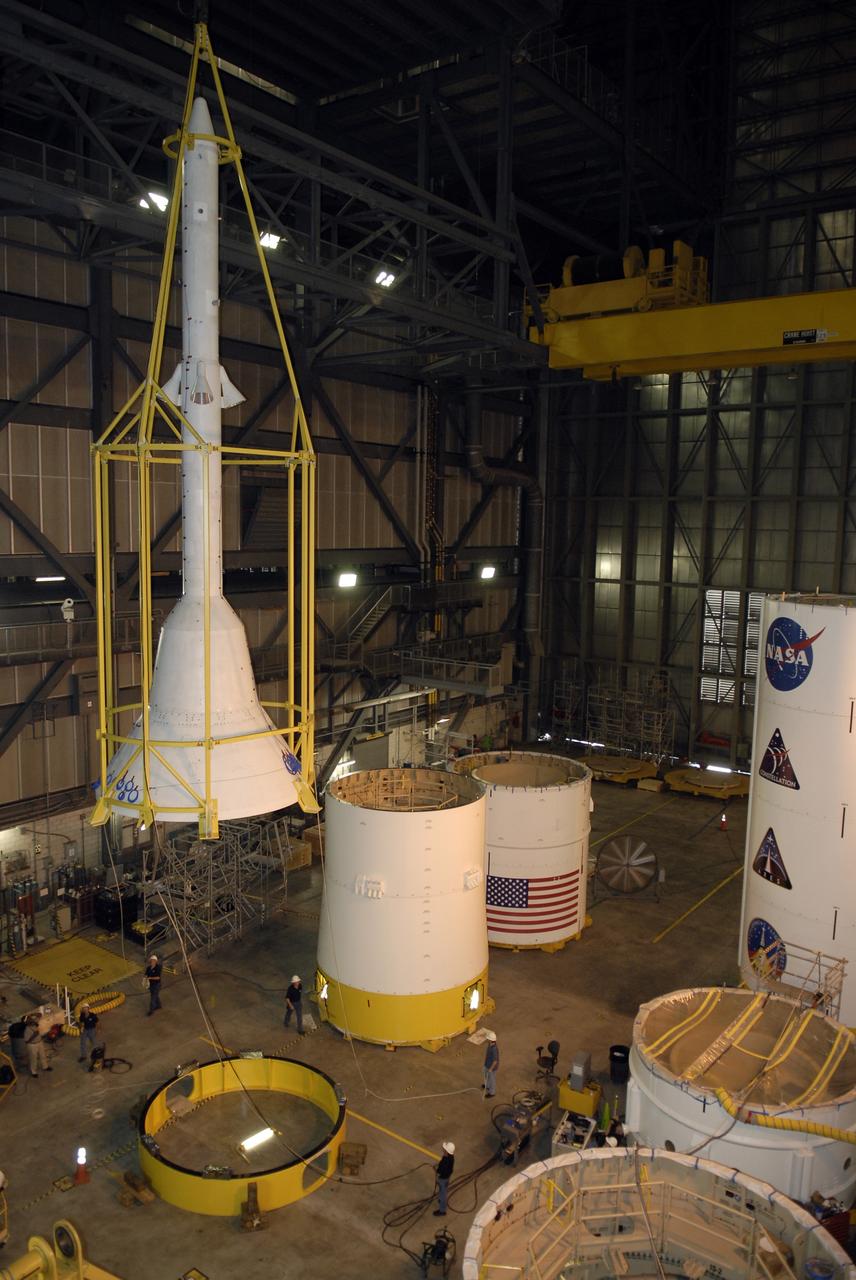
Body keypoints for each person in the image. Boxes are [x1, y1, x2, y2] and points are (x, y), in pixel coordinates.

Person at [433, 1140, 455, 1216]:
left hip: (443, 1178)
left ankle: (442, 1211)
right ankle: (440, 1199)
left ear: (447, 1151)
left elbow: (441, 1170)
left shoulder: (446, 1160)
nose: (443, 1149)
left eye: (444, 1148)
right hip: (446, 1177)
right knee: (442, 1191)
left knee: (443, 1195)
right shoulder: (450, 1157)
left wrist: (437, 1171)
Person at [483, 1030, 499, 1098]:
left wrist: (490, 1069)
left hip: (492, 1067)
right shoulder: (490, 1045)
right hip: (487, 1064)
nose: (486, 1039)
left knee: (492, 1079)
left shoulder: (494, 1049)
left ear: (490, 1040)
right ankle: (487, 1086)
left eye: (487, 1039)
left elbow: (495, 1061)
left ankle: (492, 1093)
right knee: (486, 1076)